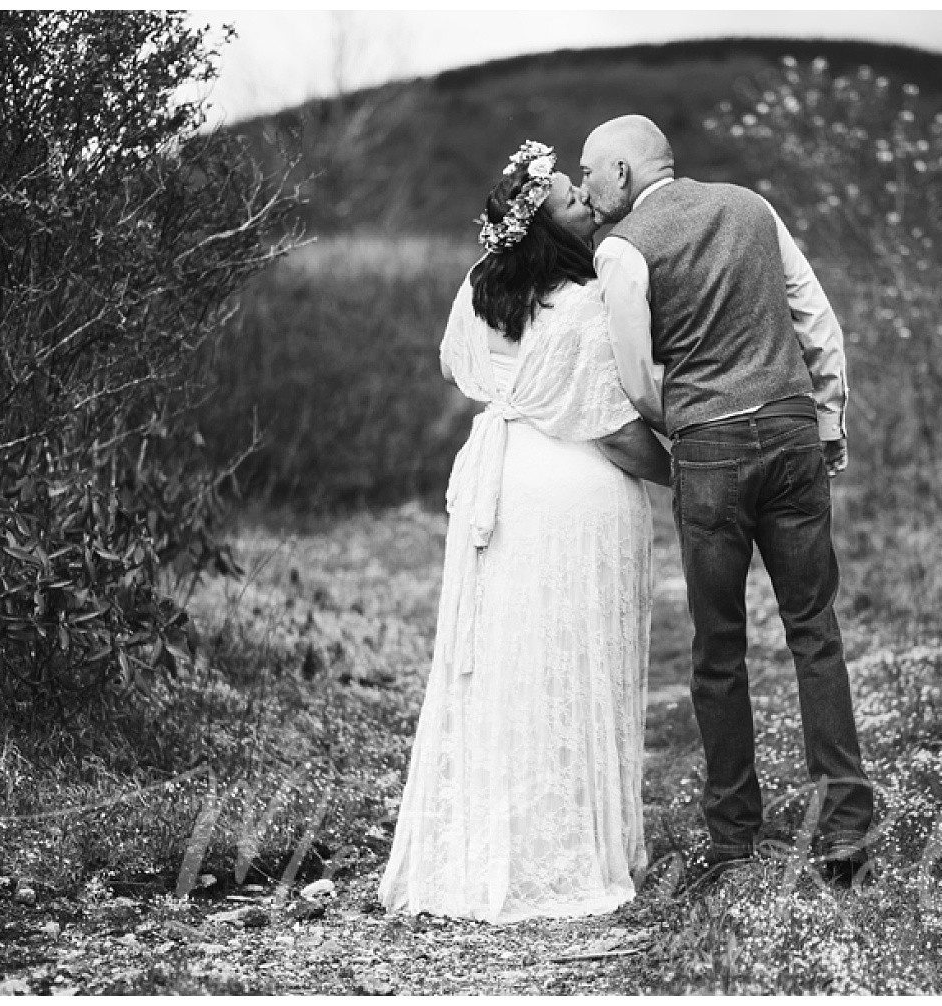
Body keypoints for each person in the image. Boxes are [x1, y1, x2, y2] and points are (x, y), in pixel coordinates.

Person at [378, 140, 671, 923]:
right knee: (573, 661)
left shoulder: (480, 290)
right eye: (571, 198)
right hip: (573, 492)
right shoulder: (582, 303)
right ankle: (571, 850)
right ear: (542, 225)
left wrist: (514, 396)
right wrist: (685, 469)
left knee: (506, 662)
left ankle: (490, 844)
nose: (586, 200)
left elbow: (454, 367)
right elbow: (613, 429)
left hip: (503, 479)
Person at [578, 115, 877, 885]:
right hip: (788, 430)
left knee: (719, 652)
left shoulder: (622, 249)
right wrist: (828, 423)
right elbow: (817, 321)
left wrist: (682, 426)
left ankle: (734, 840)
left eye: (589, 172)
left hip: (707, 448)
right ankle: (845, 828)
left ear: (622, 170)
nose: (585, 189)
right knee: (815, 629)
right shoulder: (752, 206)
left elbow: (637, 374)